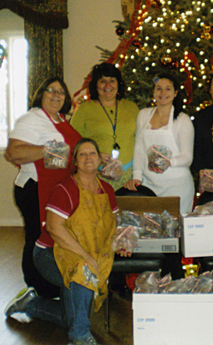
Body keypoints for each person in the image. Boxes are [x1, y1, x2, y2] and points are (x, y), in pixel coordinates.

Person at [4, 138, 129, 345]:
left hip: (83, 255)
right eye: (82, 154)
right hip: (49, 254)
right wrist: (87, 256)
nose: (88, 158)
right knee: (83, 272)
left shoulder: (107, 190)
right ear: (76, 162)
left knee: (72, 317)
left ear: (100, 160)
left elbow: (113, 224)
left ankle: (31, 304)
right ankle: (79, 339)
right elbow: (54, 228)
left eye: (92, 154)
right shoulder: (65, 189)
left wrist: (122, 242)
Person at [5, 77, 82, 298]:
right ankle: (35, 288)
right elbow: (13, 152)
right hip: (35, 189)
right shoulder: (31, 119)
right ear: (41, 94)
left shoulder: (60, 119)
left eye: (61, 92)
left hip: (57, 191)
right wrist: (50, 150)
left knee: (52, 238)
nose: (56, 95)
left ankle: (51, 284)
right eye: (51, 91)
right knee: (37, 238)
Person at [124, 73, 195, 214]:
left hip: (177, 187)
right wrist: (137, 177)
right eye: (159, 88)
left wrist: (167, 162)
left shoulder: (183, 120)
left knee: (176, 231)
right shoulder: (143, 115)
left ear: (175, 93)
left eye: (168, 89)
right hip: (149, 185)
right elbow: (139, 149)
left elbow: (187, 158)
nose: (163, 93)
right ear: (153, 92)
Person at [70, 62, 139, 191]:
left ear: (119, 84)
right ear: (95, 85)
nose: (108, 85)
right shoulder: (83, 110)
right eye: (102, 81)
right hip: (96, 175)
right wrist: (95, 154)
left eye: (112, 80)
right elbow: (73, 142)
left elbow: (141, 140)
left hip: (129, 177)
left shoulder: (132, 108)